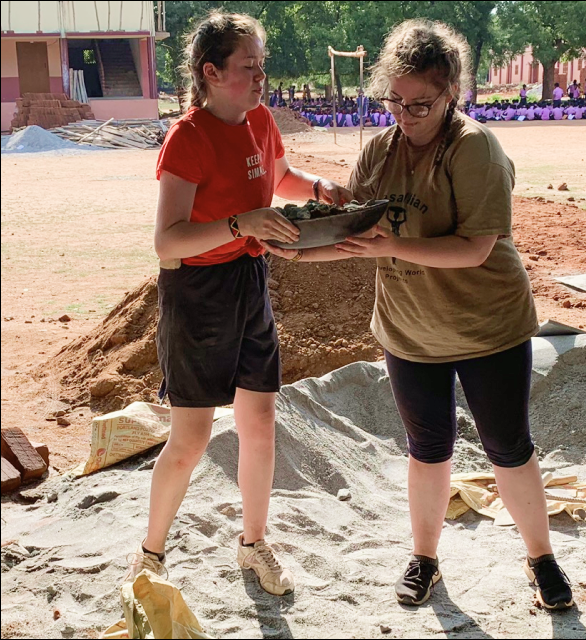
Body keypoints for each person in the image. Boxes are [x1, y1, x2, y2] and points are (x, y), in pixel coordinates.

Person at [265, 18, 574, 611]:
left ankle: (542, 558)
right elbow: (356, 234)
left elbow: (476, 248)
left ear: (451, 92)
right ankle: (425, 557)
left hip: (488, 326)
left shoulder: (474, 147)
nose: (404, 115)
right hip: (410, 330)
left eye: (420, 105)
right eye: (395, 101)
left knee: (508, 447)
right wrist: (298, 252)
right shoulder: (381, 150)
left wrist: (391, 246)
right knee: (426, 449)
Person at [125, 9, 352, 597]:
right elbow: (167, 241)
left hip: (250, 279)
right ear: (210, 72)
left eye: (262, 66)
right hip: (197, 294)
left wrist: (322, 188)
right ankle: (150, 554)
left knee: (260, 422)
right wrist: (238, 223)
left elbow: (280, 177)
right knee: (192, 438)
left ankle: (253, 544)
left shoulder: (260, 120)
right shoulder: (188, 137)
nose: (260, 78)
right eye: (248, 68)